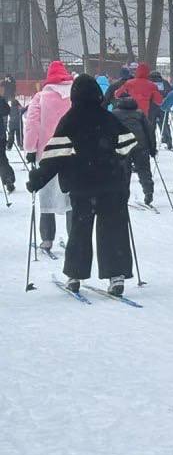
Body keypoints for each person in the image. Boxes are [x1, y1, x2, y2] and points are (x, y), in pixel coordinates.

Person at [27, 74, 136, 295]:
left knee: (80, 230)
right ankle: (116, 276)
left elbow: (55, 156)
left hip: (82, 187)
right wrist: (124, 164)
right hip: (111, 184)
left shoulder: (70, 120)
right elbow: (130, 145)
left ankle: (75, 276)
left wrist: (37, 179)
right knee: (113, 229)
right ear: (97, 93)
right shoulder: (108, 118)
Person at [25, 62, 76, 251]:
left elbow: (32, 124)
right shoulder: (75, 95)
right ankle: (74, 236)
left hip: (46, 153)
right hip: (72, 152)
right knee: (72, 196)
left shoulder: (41, 97)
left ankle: (47, 238)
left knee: (46, 194)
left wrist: (30, 148)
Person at [111, 94, 156, 206]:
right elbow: (149, 131)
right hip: (140, 145)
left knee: (123, 173)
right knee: (144, 170)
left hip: (122, 146)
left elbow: (109, 131)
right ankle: (148, 191)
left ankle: (123, 197)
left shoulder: (114, 114)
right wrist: (152, 148)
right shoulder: (139, 114)